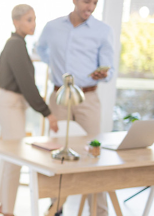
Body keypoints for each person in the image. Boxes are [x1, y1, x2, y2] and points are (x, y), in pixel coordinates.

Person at [37, 0, 114, 215]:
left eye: (95, 3)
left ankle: (99, 212)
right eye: (86, 2)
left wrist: (104, 73)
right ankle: (56, 206)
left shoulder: (103, 31)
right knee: (56, 152)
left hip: (87, 98)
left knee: (93, 154)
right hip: (60, 96)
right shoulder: (52, 27)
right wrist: (53, 63)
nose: (90, 7)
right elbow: (40, 49)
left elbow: (110, 67)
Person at [0, 4, 59, 216]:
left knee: (8, 155)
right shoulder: (16, 45)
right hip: (10, 104)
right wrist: (47, 112)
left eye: (34, 19)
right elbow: (27, 85)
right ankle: (8, 209)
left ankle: (3, 204)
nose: (33, 24)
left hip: (10, 103)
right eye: (29, 20)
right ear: (16, 22)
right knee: (15, 156)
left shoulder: (16, 43)